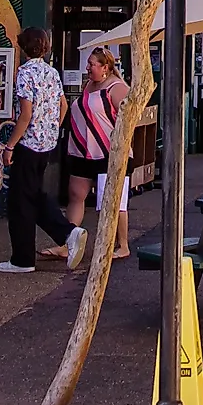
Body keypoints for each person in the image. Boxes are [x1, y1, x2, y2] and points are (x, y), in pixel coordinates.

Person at [0, 26, 81, 273]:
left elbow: (25, 114)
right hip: (47, 144)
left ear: (23, 47)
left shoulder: (25, 73)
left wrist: (9, 145)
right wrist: (53, 128)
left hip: (28, 143)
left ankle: (23, 258)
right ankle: (67, 232)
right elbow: (63, 105)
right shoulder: (52, 73)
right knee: (33, 194)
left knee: (20, 202)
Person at [64, 45, 130, 252]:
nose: (87, 68)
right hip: (83, 150)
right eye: (88, 64)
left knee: (111, 200)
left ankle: (122, 244)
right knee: (75, 195)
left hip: (108, 152)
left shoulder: (116, 87)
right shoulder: (89, 85)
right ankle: (68, 242)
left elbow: (130, 115)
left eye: (92, 64)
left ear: (106, 67)